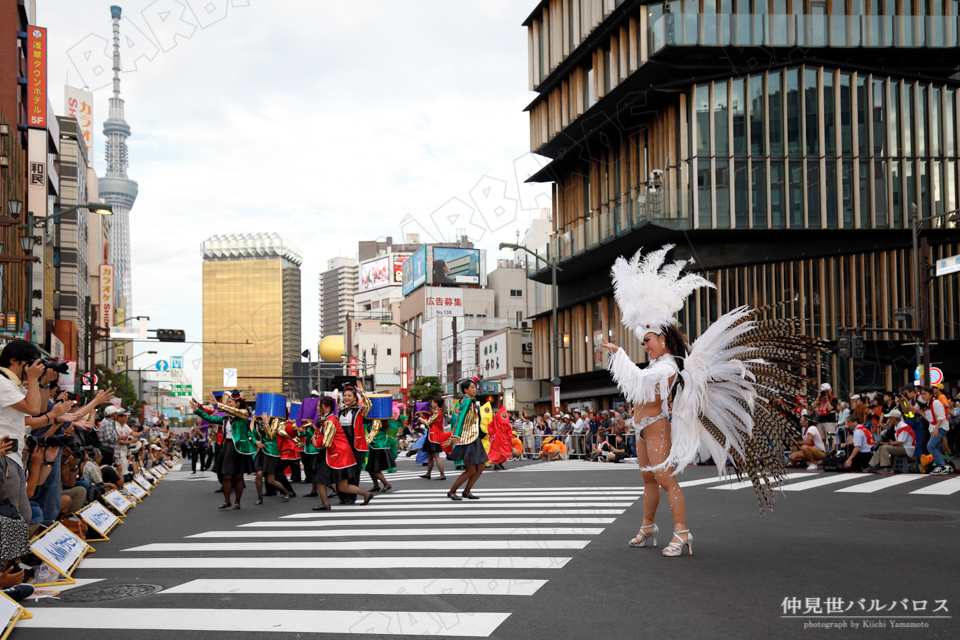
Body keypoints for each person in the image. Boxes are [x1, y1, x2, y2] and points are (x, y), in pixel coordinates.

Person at [602, 245, 822, 556]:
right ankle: (648, 526)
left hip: (656, 426)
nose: (645, 347)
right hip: (641, 427)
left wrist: (618, 353)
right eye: (642, 343)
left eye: (647, 341)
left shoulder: (668, 365)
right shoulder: (655, 364)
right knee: (648, 478)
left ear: (661, 338)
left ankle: (682, 533)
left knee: (665, 479)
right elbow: (638, 386)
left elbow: (638, 381)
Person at [190, 391, 255, 510]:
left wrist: (217, 404)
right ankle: (227, 501)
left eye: (230, 402)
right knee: (226, 475)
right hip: (228, 446)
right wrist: (197, 410)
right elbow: (210, 418)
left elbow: (236, 412)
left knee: (239, 476)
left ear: (237, 403)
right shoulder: (225, 417)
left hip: (240, 447)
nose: (228, 404)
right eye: (227, 403)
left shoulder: (243, 413)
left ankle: (237, 502)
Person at [309, 396, 372, 510]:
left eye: (320, 406)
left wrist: (314, 441)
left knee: (319, 479)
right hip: (340, 454)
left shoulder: (330, 421)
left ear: (327, 408)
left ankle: (325, 503)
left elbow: (326, 443)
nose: (317, 408)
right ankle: (367, 494)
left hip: (337, 455)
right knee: (343, 487)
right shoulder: (329, 418)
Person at [446, 378, 487, 501]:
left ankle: (467, 491)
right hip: (468, 438)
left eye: (475, 387)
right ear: (465, 390)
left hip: (474, 437)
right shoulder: (467, 401)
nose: (475, 389)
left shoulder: (471, 401)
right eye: (472, 387)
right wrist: (456, 435)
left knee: (480, 467)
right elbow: (461, 419)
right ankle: (452, 491)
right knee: (471, 469)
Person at [337, 384, 370, 504]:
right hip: (342, 445)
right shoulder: (339, 411)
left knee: (354, 472)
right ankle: (343, 495)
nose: (346, 397)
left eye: (349, 395)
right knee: (342, 471)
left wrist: (362, 392)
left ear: (355, 398)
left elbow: (369, 405)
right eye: (344, 395)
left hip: (356, 445)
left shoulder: (360, 410)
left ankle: (351, 497)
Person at [252, 413, 291, 504]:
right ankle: (260, 498)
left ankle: (286, 492)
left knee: (270, 480)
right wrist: (256, 441)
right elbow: (253, 434)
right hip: (261, 452)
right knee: (259, 474)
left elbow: (270, 436)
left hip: (271, 452)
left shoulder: (276, 420)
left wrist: (266, 423)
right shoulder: (258, 420)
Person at [920, 386, 951, 474]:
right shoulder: (928, 403)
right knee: (935, 447)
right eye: (922, 394)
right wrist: (921, 413)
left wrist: (936, 429)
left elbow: (941, 417)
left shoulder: (935, 402)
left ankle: (941, 466)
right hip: (934, 428)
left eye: (925, 394)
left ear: (931, 394)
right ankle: (942, 466)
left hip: (939, 427)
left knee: (931, 446)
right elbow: (930, 419)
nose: (923, 396)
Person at [418, 397, 446, 480]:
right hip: (432, 435)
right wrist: (422, 416)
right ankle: (428, 473)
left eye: (433, 402)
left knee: (436, 456)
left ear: (436, 403)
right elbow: (431, 422)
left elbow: (428, 423)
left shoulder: (437, 412)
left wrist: (421, 419)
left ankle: (442, 474)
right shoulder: (437, 412)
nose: (431, 404)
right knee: (430, 456)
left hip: (434, 437)